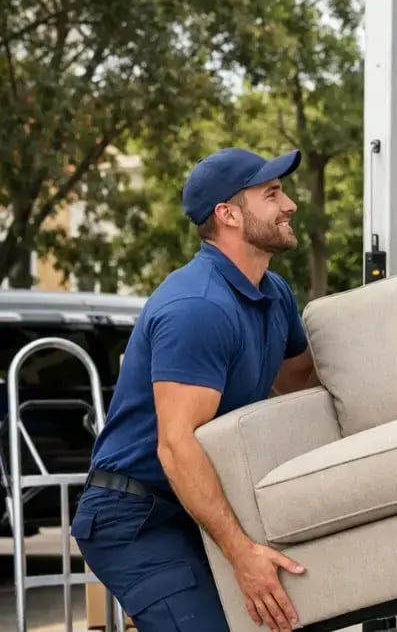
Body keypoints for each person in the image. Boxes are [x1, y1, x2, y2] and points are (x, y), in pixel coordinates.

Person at [72, 147, 319, 632]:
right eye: (271, 194)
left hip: (197, 504)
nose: (289, 204)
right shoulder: (197, 308)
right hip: (137, 516)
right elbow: (176, 446)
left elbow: (301, 387)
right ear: (227, 215)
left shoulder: (273, 293)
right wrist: (241, 554)